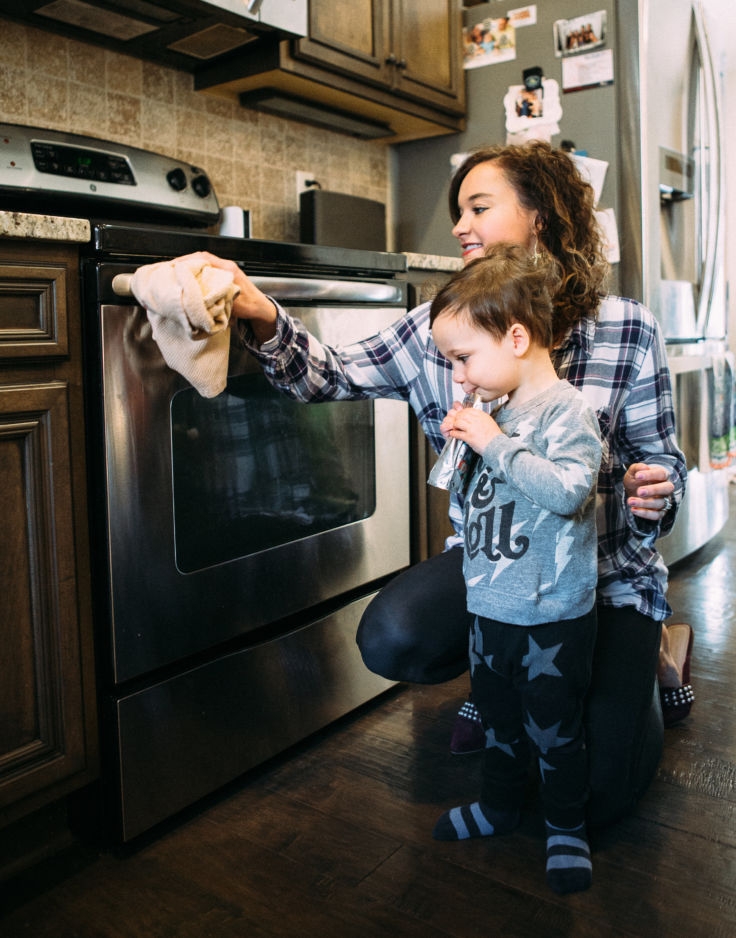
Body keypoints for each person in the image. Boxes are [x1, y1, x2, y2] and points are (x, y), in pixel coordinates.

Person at [184, 139, 687, 828]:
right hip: (500, 575)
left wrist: (651, 488)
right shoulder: (437, 329)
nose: (458, 225)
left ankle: (654, 652)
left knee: (601, 797)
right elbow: (330, 373)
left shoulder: (626, 330)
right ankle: (503, 673)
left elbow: (665, 468)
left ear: (539, 216)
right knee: (394, 637)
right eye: (458, 211)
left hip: (603, 581)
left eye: (479, 206)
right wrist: (261, 312)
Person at [428, 245, 602, 895]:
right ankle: (499, 807)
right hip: (491, 609)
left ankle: (566, 828)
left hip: (551, 618)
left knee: (556, 731)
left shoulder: (566, 411)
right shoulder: (491, 410)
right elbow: (467, 503)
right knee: (498, 721)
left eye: (464, 358)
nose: (460, 376)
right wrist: (464, 449)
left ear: (519, 337)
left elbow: (566, 491)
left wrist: (493, 444)